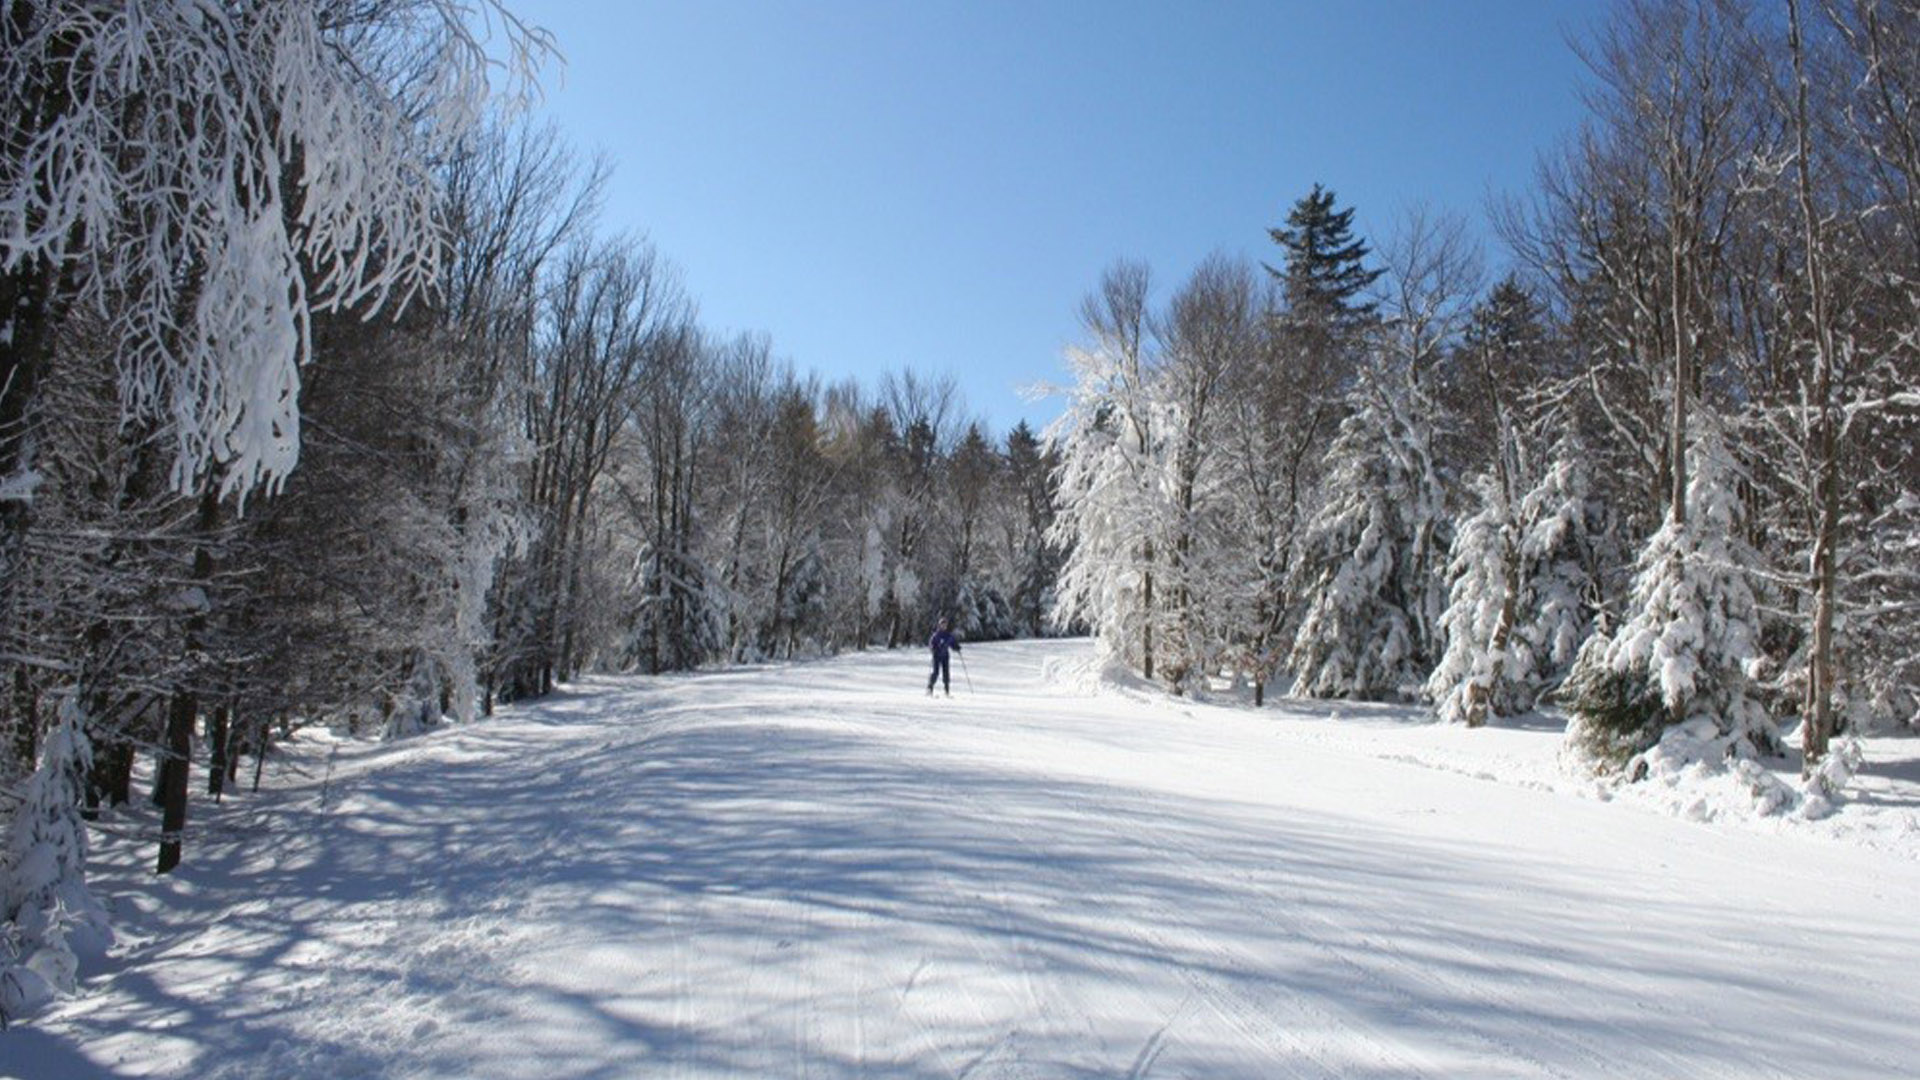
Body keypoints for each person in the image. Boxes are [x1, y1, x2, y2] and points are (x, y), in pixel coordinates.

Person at [927, 617, 961, 696]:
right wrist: (932, 648)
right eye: (942, 625)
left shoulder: (948, 635)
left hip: (945, 656)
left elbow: (952, 644)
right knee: (936, 672)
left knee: (946, 673)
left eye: (945, 625)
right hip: (937, 656)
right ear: (939, 625)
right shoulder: (936, 635)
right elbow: (931, 643)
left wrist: (957, 647)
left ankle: (946, 690)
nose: (944, 626)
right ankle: (930, 687)